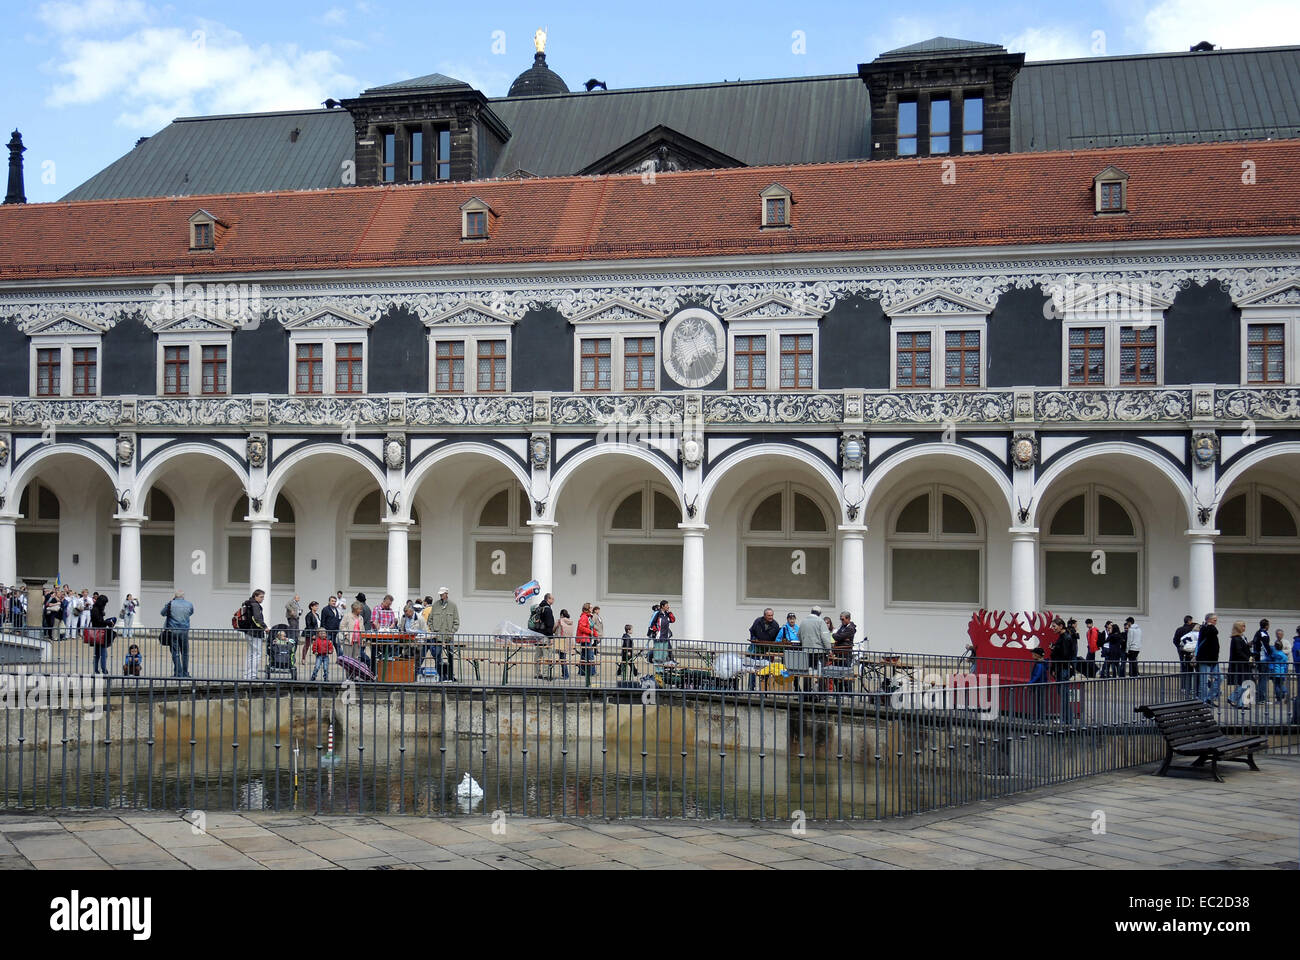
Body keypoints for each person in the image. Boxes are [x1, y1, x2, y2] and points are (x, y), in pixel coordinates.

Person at [427, 588, 460, 682]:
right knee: (437, 656)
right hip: (437, 636)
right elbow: (430, 620)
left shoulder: (453, 606)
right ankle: (439, 676)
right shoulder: (435, 605)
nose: (441, 595)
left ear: (446, 594)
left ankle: (450, 676)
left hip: (449, 636)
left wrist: (451, 632)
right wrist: (433, 631)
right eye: (440, 594)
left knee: (450, 656)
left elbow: (456, 621)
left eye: (442, 594)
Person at [161, 590, 194, 679]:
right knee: (185, 652)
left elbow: (162, 613)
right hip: (184, 630)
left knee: (175, 652)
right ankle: (185, 673)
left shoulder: (171, 603)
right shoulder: (189, 604)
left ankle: (178, 673)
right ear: (183, 596)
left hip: (173, 630)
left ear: (175, 596)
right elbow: (191, 613)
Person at [747, 608, 780, 691]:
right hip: (756, 647)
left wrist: (772, 648)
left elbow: (776, 638)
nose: (771, 617)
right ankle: (751, 687)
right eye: (769, 615)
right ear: (764, 615)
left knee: (766, 668)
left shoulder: (775, 625)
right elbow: (752, 630)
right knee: (753, 667)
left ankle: (764, 688)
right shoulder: (758, 621)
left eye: (772, 615)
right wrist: (754, 639)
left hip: (768, 648)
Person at [240, 589, 268, 681]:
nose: (262, 599)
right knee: (257, 654)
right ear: (255, 596)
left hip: (248, 632)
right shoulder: (255, 605)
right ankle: (252, 675)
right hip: (255, 632)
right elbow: (257, 619)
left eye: (263, 597)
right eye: (261, 597)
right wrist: (265, 627)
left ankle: (246, 675)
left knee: (250, 654)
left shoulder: (248, 604)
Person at [1226, 620, 1253, 709]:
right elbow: (1238, 651)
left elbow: (1242, 649)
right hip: (1240, 664)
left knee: (1245, 683)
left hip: (1243, 664)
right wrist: (1248, 658)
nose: (1244, 628)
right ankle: (1232, 697)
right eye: (1242, 626)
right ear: (1238, 627)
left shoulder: (1242, 637)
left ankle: (1240, 703)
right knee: (1245, 683)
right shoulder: (1236, 638)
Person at [1197, 613, 1221, 704]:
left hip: (1213, 659)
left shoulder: (1210, 628)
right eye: (1214, 620)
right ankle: (1203, 701)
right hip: (1205, 659)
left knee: (1220, 677)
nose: (1216, 622)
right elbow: (1214, 631)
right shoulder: (1205, 628)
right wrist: (1210, 625)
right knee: (1204, 681)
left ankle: (1209, 697)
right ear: (1208, 620)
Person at [531, 593, 556, 679]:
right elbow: (550, 624)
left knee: (538, 655)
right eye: (552, 599)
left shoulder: (538, 608)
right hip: (545, 636)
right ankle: (546, 674)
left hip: (538, 635)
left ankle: (537, 673)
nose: (553, 600)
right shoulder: (548, 610)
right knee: (546, 655)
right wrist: (551, 637)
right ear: (548, 599)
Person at [1172, 615, 1198, 696]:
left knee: (1183, 669)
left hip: (1181, 652)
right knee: (1191, 670)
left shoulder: (1179, 629)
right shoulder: (1191, 630)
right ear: (1189, 621)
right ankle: (1191, 688)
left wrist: (1179, 648)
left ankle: (1184, 687)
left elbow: (1175, 640)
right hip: (1190, 653)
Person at [88, 593, 114, 675]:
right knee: (103, 653)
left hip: (97, 632)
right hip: (99, 633)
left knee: (97, 654)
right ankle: (103, 669)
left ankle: (96, 670)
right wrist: (107, 622)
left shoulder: (95, 609)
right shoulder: (96, 610)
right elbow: (99, 622)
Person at [648, 601, 675, 667]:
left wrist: (670, 613)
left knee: (667, 651)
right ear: (662, 606)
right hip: (659, 637)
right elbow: (652, 624)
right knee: (658, 654)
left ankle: (670, 662)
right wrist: (656, 630)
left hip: (666, 637)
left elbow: (673, 620)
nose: (668, 606)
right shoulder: (657, 613)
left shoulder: (667, 614)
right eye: (667, 605)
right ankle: (657, 670)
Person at [575, 602, 596, 680]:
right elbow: (581, 627)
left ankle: (582, 672)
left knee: (584, 656)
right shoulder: (584, 617)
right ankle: (591, 672)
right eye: (591, 607)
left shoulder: (588, 617)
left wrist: (595, 635)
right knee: (590, 655)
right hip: (585, 638)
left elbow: (592, 628)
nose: (592, 609)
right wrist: (590, 632)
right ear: (587, 608)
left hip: (587, 638)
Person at [1027, 647, 1050, 717]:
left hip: (1039, 685)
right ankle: (1039, 717)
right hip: (1041, 684)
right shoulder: (1042, 663)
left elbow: (1036, 675)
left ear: (1037, 655)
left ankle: (1040, 718)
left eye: (1033, 654)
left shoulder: (1039, 664)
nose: (1032, 655)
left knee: (1039, 702)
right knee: (1040, 702)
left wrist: (1029, 684)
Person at [1266, 637, 1289, 703]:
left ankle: (1279, 699)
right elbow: (1285, 665)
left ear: (1275, 647)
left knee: (1276, 686)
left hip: (1275, 672)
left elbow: (1270, 661)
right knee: (1281, 684)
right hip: (1282, 672)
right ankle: (1285, 691)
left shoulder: (1274, 655)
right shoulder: (1284, 656)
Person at [555, 608, 573, 680]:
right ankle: (564, 673)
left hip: (560, 641)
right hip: (568, 641)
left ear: (561, 615)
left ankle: (566, 674)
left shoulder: (560, 621)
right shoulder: (570, 622)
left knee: (562, 659)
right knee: (564, 658)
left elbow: (554, 629)